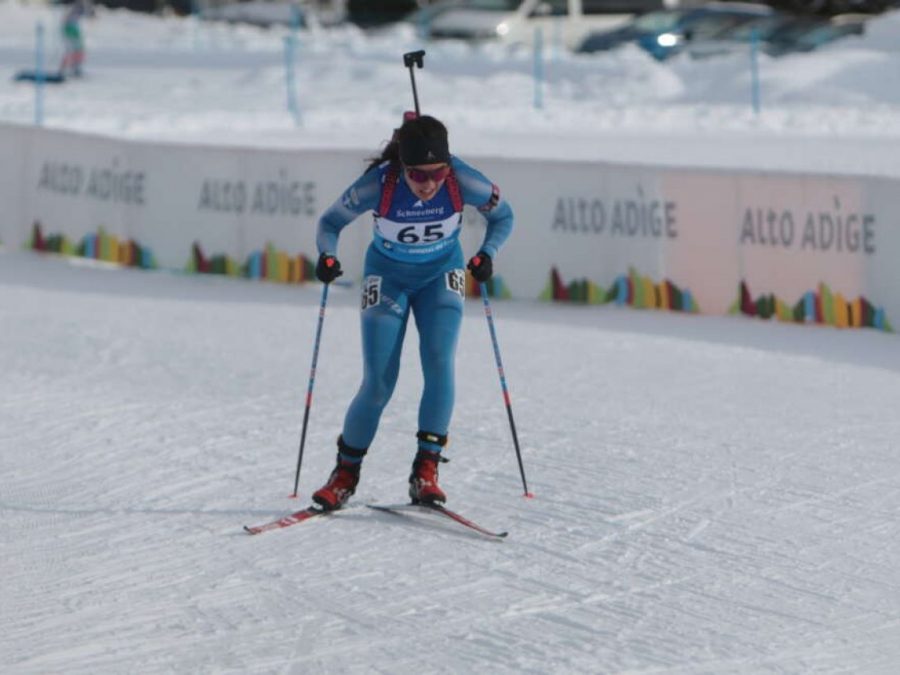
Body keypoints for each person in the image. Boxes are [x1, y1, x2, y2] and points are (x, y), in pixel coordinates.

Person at [311, 114, 514, 510]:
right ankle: (344, 475)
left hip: (442, 274)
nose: (429, 184)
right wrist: (327, 256)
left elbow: (503, 215)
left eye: (437, 172)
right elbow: (330, 222)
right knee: (379, 382)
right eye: (417, 175)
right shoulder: (379, 184)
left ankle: (426, 470)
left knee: (440, 362)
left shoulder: (462, 180)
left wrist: (487, 253)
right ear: (401, 167)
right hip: (388, 279)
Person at [60, 0, 88, 78]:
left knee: (77, 50)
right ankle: (67, 69)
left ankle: (74, 68)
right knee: (73, 50)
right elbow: (66, 20)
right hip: (71, 29)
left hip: (73, 29)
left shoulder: (78, 6)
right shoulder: (77, 6)